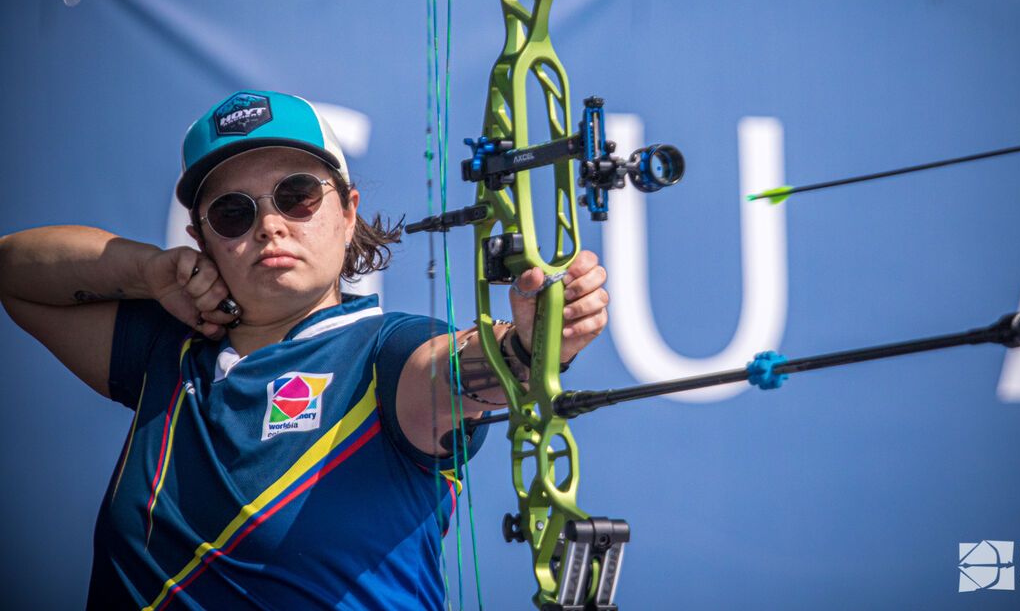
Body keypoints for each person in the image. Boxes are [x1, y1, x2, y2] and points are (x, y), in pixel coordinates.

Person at [0, 90, 610, 610]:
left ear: (347, 214)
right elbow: (14, 273)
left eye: (296, 196)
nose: (269, 225)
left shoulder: (386, 352)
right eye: (232, 213)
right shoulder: (169, 351)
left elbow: (465, 372)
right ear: (202, 240)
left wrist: (532, 343)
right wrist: (150, 272)